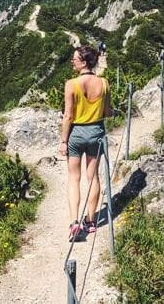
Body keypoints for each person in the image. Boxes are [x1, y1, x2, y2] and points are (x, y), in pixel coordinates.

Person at [58, 45, 111, 241]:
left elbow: (68, 116)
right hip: (96, 131)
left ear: (84, 62)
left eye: (75, 59)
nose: (72, 61)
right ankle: (90, 221)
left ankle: (74, 222)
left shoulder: (71, 84)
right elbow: (108, 112)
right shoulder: (104, 83)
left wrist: (64, 141)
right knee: (93, 177)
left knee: (74, 178)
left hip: (77, 134)